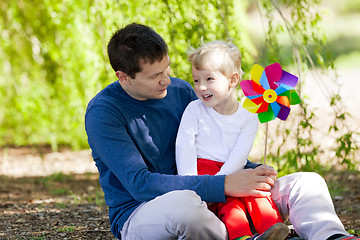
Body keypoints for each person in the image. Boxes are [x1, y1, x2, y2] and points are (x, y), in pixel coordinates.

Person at [85, 22, 358, 240]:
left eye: (166, 69)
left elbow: (212, 143)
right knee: (186, 207)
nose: (166, 79)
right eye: (155, 76)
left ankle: (331, 236)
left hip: (213, 187)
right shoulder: (104, 112)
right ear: (124, 77)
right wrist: (225, 184)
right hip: (145, 210)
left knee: (307, 183)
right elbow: (140, 184)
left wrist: (250, 170)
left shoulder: (178, 90)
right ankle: (248, 236)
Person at [175, 40, 287, 240]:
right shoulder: (194, 109)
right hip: (205, 170)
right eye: (196, 80)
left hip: (235, 167)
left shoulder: (249, 112)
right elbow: (184, 146)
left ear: (233, 79)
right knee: (230, 204)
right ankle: (242, 236)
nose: (201, 87)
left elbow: (240, 153)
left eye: (209, 79)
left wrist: (226, 178)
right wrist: (194, 186)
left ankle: (276, 232)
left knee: (257, 195)